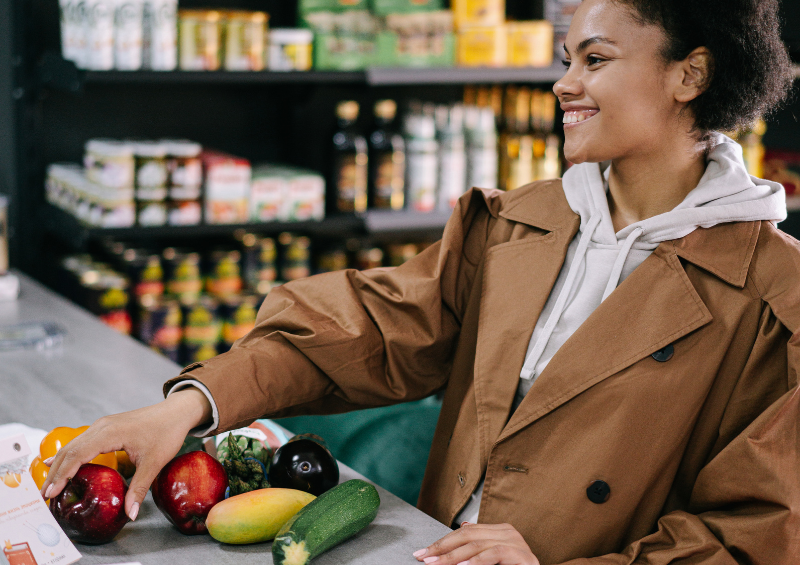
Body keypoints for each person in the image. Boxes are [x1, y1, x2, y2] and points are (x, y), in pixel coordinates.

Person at [42, 0, 798, 563]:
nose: (564, 83)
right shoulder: (520, 222)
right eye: (565, 58)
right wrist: (190, 405)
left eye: (594, 60)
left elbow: (756, 533)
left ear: (689, 74)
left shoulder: (774, 296)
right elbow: (365, 330)